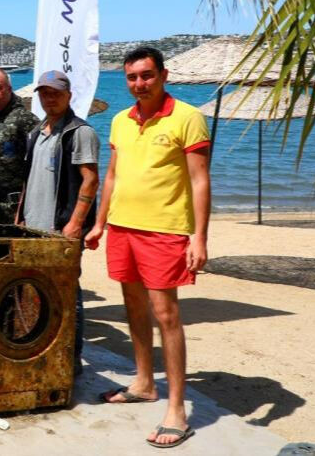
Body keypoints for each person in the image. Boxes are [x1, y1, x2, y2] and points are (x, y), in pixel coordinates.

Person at [85, 47, 210, 448]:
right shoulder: (121, 121)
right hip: (122, 227)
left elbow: (200, 181)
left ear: (163, 74)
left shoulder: (188, 117)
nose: (139, 83)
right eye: (132, 77)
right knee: (133, 306)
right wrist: (100, 222)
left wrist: (200, 237)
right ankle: (143, 383)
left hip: (164, 231)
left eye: (146, 75)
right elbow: (113, 176)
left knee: (166, 314)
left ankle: (176, 409)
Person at [18, 70, 100, 375]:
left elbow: (90, 180)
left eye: (54, 93)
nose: (48, 98)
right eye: (44, 93)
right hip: (33, 226)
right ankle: (44, 349)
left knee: (67, 293)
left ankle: (72, 358)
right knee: (38, 291)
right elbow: (29, 179)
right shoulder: (37, 132)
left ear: (68, 96)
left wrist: (76, 223)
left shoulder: (80, 132)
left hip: (62, 227)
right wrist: (20, 217)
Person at [0, 68, 39, 223]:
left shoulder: (26, 120)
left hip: (16, 208)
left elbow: (37, 167)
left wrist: (26, 209)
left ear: (9, 89)